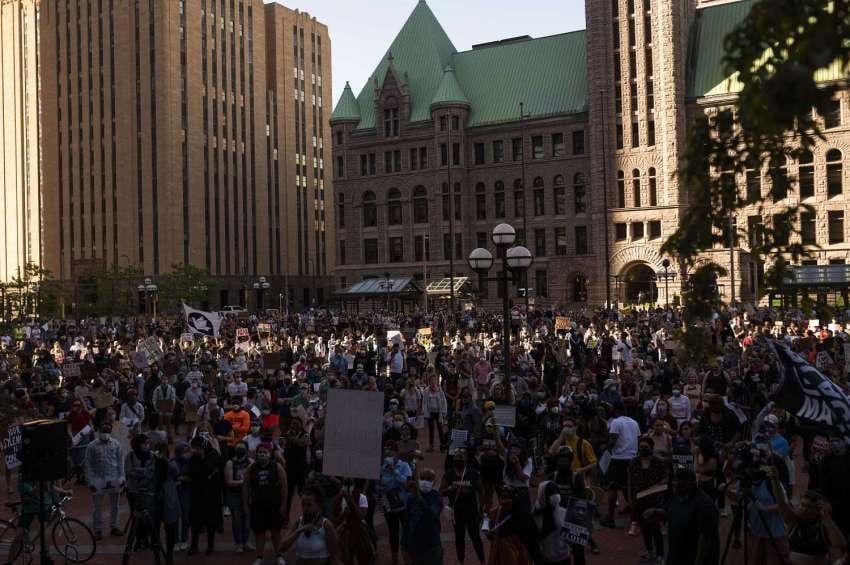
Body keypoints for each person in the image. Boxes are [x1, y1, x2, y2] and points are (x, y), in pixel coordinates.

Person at [643, 468, 720, 565]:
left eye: (677, 480)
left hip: (693, 559)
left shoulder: (704, 505)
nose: (673, 483)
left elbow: (706, 540)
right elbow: (669, 511)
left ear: (689, 483)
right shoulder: (676, 496)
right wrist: (657, 512)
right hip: (675, 555)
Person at [770, 468, 847, 565]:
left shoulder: (824, 525)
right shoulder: (794, 520)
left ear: (818, 509)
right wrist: (775, 480)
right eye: (802, 505)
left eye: (809, 507)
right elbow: (781, 503)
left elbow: (840, 543)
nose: (804, 509)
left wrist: (827, 518)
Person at [244, 443, 288, 565]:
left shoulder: (276, 467)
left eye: (265, 452)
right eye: (260, 452)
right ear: (256, 454)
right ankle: (259, 557)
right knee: (259, 532)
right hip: (257, 507)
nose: (262, 454)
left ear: (269, 454)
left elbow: (284, 486)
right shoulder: (252, 468)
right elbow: (245, 486)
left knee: (276, 532)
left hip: (274, 506)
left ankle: (279, 555)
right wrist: (245, 504)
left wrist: (284, 505)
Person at [440, 447, 485, 565]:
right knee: (459, 538)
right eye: (456, 456)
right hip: (457, 512)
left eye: (461, 456)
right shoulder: (448, 474)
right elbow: (441, 491)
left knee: (475, 537)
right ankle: (461, 561)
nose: (458, 458)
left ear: (466, 458)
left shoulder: (473, 473)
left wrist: (481, 509)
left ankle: (482, 560)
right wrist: (450, 489)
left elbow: (481, 491)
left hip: (472, 510)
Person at [279, 486, 342, 565]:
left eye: (309, 505)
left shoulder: (326, 525)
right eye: (303, 505)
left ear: (318, 505)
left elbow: (334, 556)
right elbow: (281, 548)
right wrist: (298, 531)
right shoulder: (298, 522)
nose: (305, 508)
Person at [601, 402, 640, 528]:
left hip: (618, 459)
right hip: (632, 458)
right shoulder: (634, 422)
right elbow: (638, 440)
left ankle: (610, 517)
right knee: (629, 489)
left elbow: (613, 440)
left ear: (617, 411)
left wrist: (604, 448)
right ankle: (635, 518)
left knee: (612, 487)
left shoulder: (616, 422)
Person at [83, 422, 124, 540]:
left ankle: (114, 526)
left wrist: (122, 477)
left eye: (107, 431)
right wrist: (90, 481)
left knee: (115, 505)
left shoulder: (116, 444)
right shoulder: (91, 446)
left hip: (114, 477)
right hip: (97, 480)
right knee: (97, 506)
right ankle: (98, 530)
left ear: (110, 432)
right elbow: (88, 464)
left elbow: (120, 462)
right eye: (103, 431)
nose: (105, 434)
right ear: (99, 431)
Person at [486, 486, 541, 565]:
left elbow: (533, 542)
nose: (504, 501)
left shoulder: (524, 517)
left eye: (507, 498)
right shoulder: (497, 513)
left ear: (515, 499)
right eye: (502, 497)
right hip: (501, 559)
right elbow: (492, 536)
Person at [186, 436, 222, 555]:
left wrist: (202, 458)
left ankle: (210, 545)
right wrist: (203, 473)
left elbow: (209, 468)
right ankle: (194, 545)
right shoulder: (193, 458)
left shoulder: (213, 454)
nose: (196, 450)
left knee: (210, 521)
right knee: (195, 521)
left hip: (211, 493)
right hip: (197, 493)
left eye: (198, 448)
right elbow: (191, 471)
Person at [402, 467, 444, 565]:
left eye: (429, 479)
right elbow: (406, 522)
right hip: (414, 544)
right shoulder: (411, 498)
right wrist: (403, 545)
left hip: (432, 544)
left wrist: (418, 497)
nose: (425, 482)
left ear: (433, 482)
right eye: (423, 478)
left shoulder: (436, 497)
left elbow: (432, 515)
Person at [379, 440, 412, 565]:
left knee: (406, 529)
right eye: (386, 450)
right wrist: (380, 488)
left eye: (390, 449)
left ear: (396, 452)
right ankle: (394, 557)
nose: (388, 452)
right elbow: (379, 483)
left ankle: (408, 554)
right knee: (393, 532)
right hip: (389, 504)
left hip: (403, 504)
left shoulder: (404, 466)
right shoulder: (382, 467)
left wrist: (395, 471)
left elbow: (407, 484)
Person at [151, 442, 179, 565]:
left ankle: (169, 554)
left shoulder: (170, 463)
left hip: (168, 500)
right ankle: (156, 555)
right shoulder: (151, 463)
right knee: (154, 530)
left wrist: (164, 460)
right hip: (155, 500)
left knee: (170, 529)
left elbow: (175, 472)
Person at [224, 441, 253, 552]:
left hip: (247, 494)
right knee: (236, 519)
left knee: (247, 519)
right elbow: (229, 482)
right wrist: (243, 482)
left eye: (242, 447)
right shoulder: (230, 463)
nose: (240, 449)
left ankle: (246, 542)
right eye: (238, 447)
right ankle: (239, 543)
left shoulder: (250, 461)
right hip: (234, 494)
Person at [534, 481, 571, 565]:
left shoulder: (564, 513)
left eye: (556, 492)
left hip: (564, 558)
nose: (555, 496)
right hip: (545, 560)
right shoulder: (536, 516)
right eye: (551, 492)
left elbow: (571, 538)